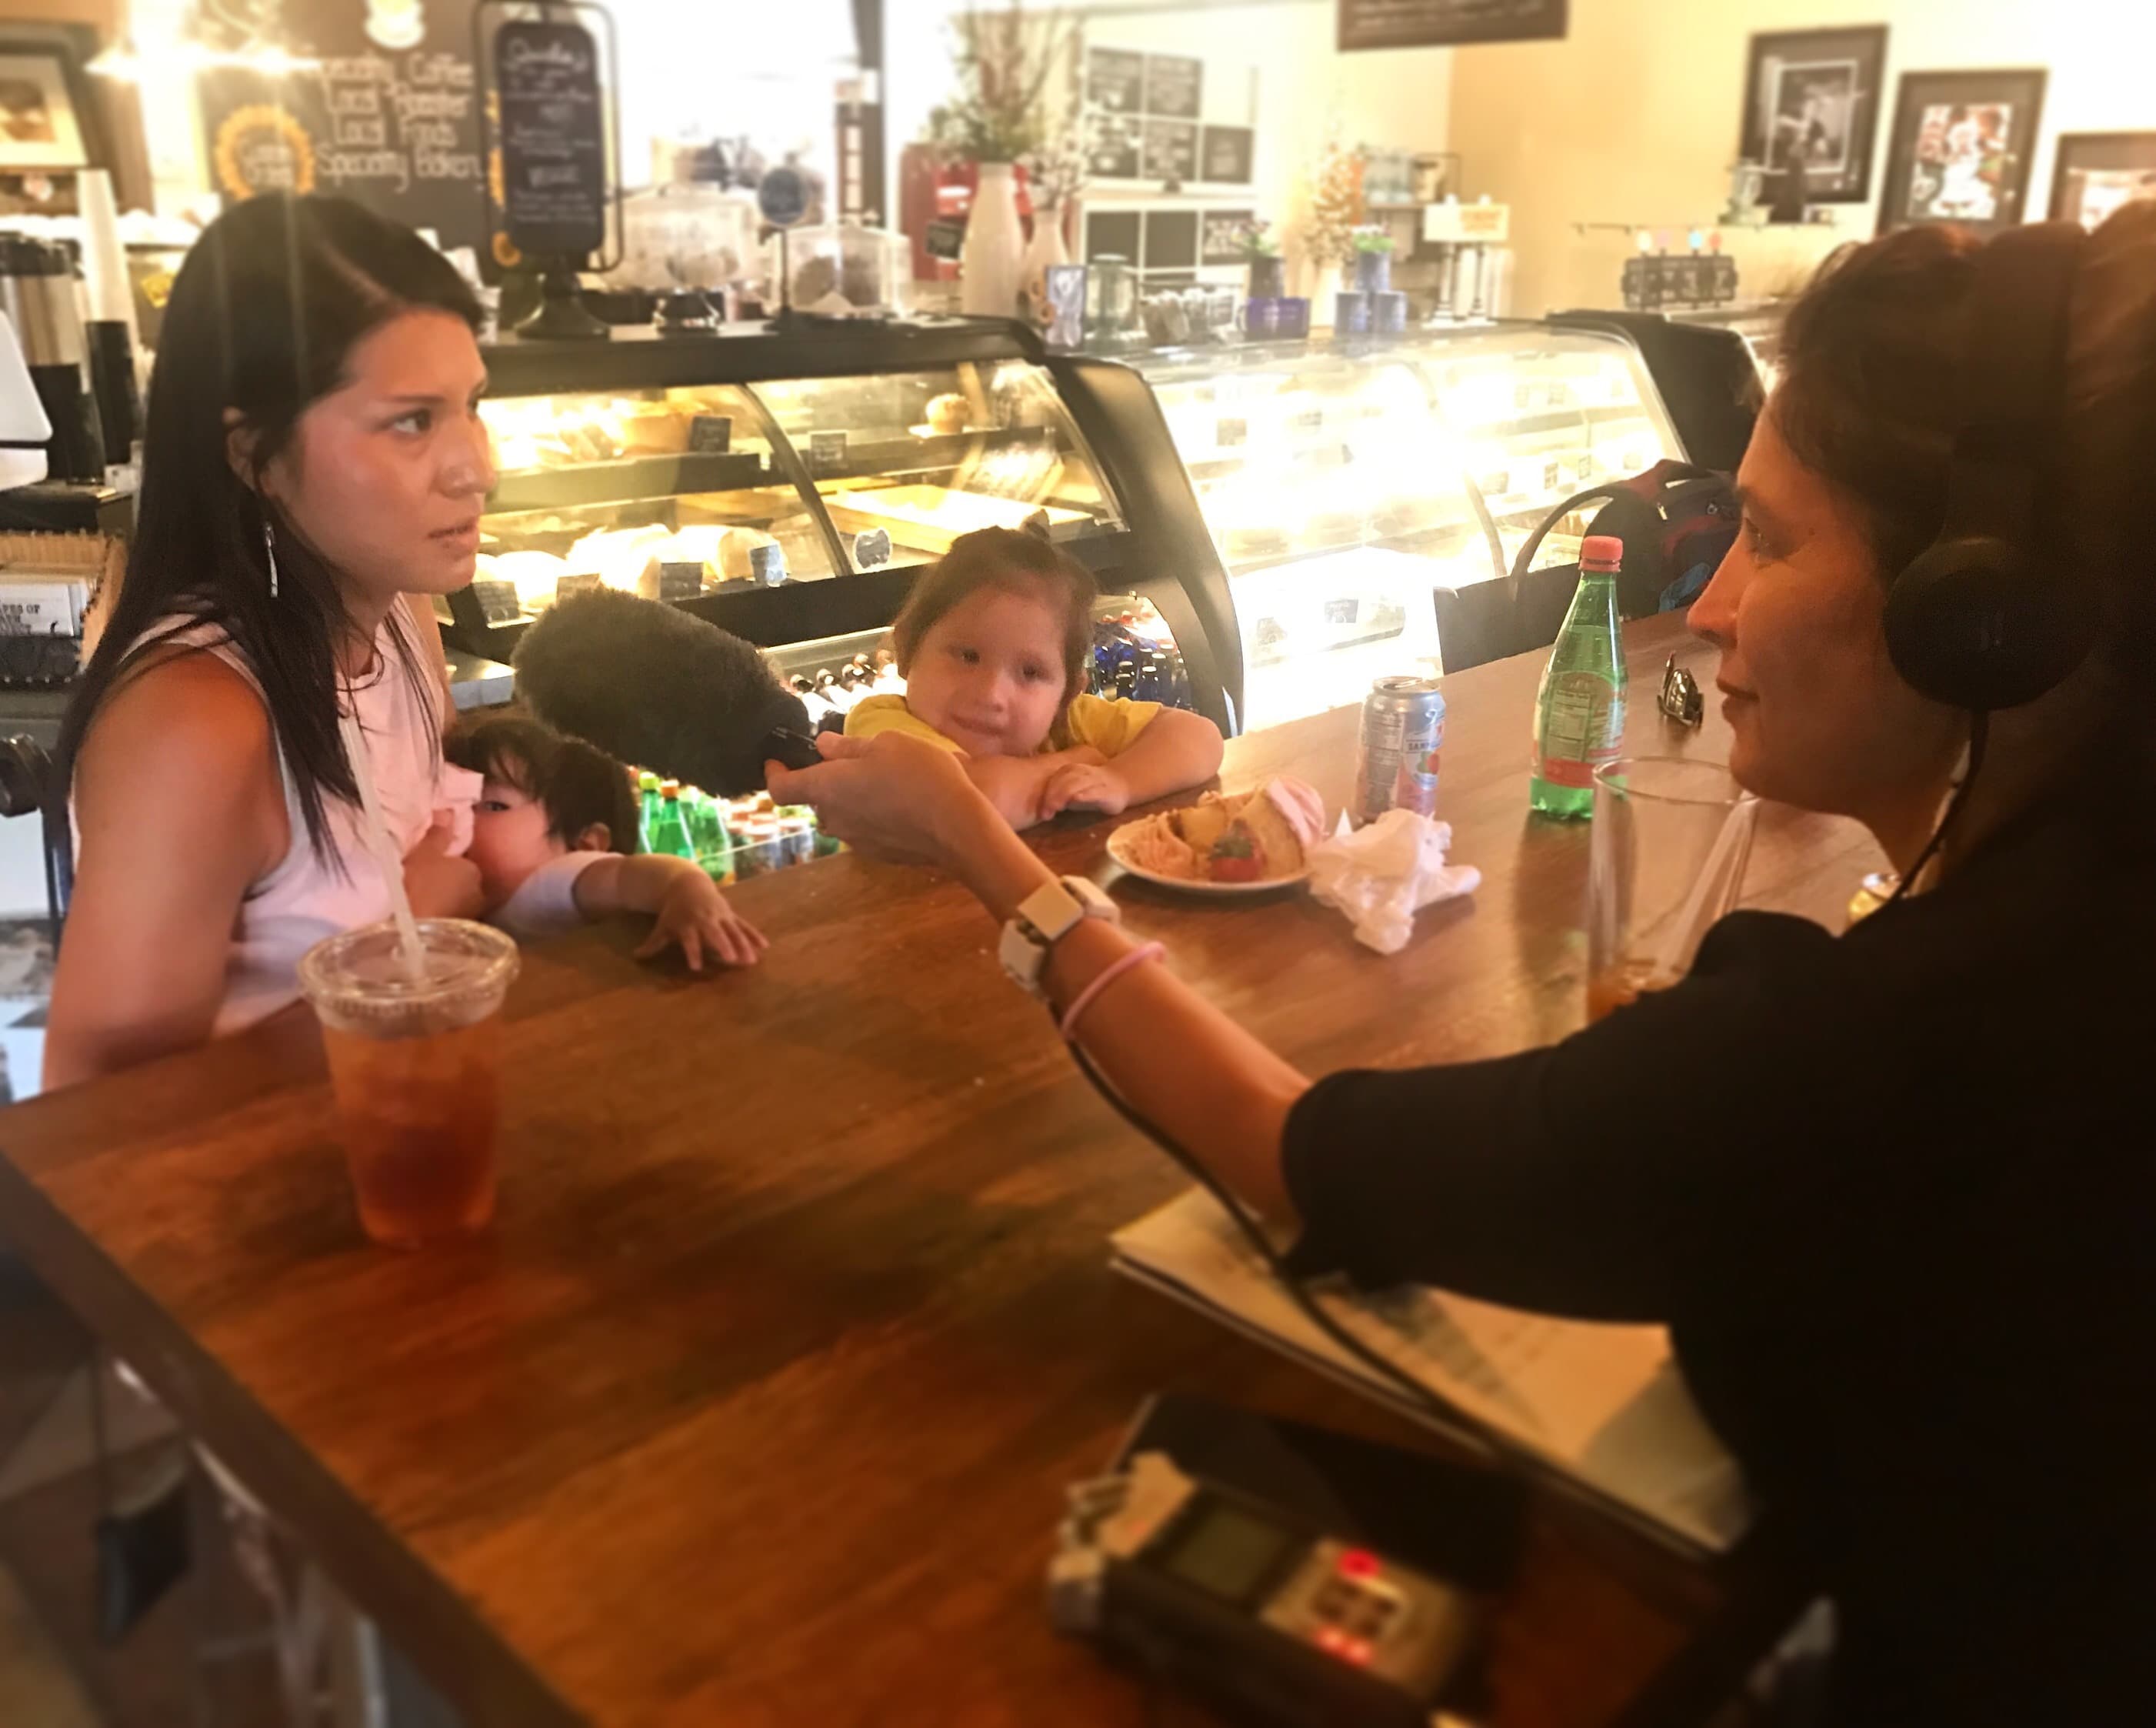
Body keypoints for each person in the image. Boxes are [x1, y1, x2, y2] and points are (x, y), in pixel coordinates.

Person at [771, 206, 2156, 1726]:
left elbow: (1298, 1151)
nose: (1705, 606)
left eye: (1764, 540)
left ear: (1980, 612)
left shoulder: (1876, 1052)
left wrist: (986, 855)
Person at [46, 194, 493, 1089]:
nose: (478, 467)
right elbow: (98, 1107)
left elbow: (453, 849)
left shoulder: (403, 621)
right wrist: (417, 925)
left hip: (411, 1117)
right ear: (254, 453)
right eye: (412, 420)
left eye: (473, 405)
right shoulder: (195, 719)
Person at [843, 525, 1224, 830]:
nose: (991, 694)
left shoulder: (1065, 722)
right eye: (968, 656)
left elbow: (1200, 737)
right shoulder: (882, 725)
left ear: (1067, 694)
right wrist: (1077, 761)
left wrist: (1120, 781)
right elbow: (976, 804)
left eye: (1030, 672)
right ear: (909, 650)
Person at [445, 713, 766, 971]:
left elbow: (635, 875)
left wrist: (686, 892)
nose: (455, 819)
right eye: (450, 804)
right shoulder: (471, 905)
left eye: (493, 806)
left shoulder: (554, 882)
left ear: (586, 845)